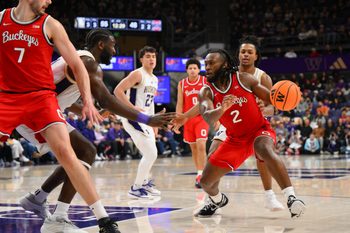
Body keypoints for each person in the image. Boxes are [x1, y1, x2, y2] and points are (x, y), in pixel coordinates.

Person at [16, 29, 175, 232]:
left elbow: (61, 94)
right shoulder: (89, 63)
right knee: (86, 151)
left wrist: (85, 108)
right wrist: (148, 119)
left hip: (36, 108)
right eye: (113, 45)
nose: (115, 51)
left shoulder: (80, 59)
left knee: (80, 155)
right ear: (101, 45)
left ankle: (37, 198)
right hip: (36, 112)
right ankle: (58, 217)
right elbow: (107, 98)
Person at [0, 1, 121, 233]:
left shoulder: (50, 24)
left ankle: (104, 220)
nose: (49, 2)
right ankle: (44, 202)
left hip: (41, 98)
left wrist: (86, 99)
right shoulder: (2, 20)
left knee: (68, 153)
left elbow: (77, 65)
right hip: (7, 96)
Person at [173, 36, 285, 211]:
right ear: (236, 55)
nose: (245, 55)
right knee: (212, 155)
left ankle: (269, 195)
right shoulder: (227, 72)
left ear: (256, 56)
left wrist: (265, 109)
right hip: (229, 122)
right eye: (242, 52)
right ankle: (213, 199)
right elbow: (203, 104)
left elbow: (273, 106)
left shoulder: (262, 77)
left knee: (262, 155)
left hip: (253, 122)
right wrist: (185, 117)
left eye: (249, 52)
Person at [194, 49, 305, 218]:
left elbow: (272, 100)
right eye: (206, 64)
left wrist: (288, 99)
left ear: (224, 65)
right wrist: (221, 108)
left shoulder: (244, 79)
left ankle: (291, 198)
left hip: (259, 130)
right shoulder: (206, 91)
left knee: (263, 148)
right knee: (206, 182)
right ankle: (217, 200)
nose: (207, 67)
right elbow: (208, 117)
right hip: (235, 139)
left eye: (211, 63)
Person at [114, 46, 162, 198]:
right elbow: (118, 91)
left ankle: (145, 182)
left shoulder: (154, 79)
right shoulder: (137, 74)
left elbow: (151, 103)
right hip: (133, 117)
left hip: (146, 119)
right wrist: (132, 108)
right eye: (148, 56)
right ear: (141, 59)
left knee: (150, 153)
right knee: (151, 153)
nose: (151, 59)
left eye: (153, 56)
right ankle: (136, 188)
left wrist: (154, 122)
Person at [176, 58, 209, 188]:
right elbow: (180, 103)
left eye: (195, 68)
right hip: (188, 120)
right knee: (194, 149)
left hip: (202, 118)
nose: (192, 70)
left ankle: (203, 175)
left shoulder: (205, 81)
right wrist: (178, 120)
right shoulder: (182, 84)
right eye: (190, 68)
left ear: (199, 69)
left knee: (201, 145)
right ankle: (199, 173)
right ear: (186, 70)